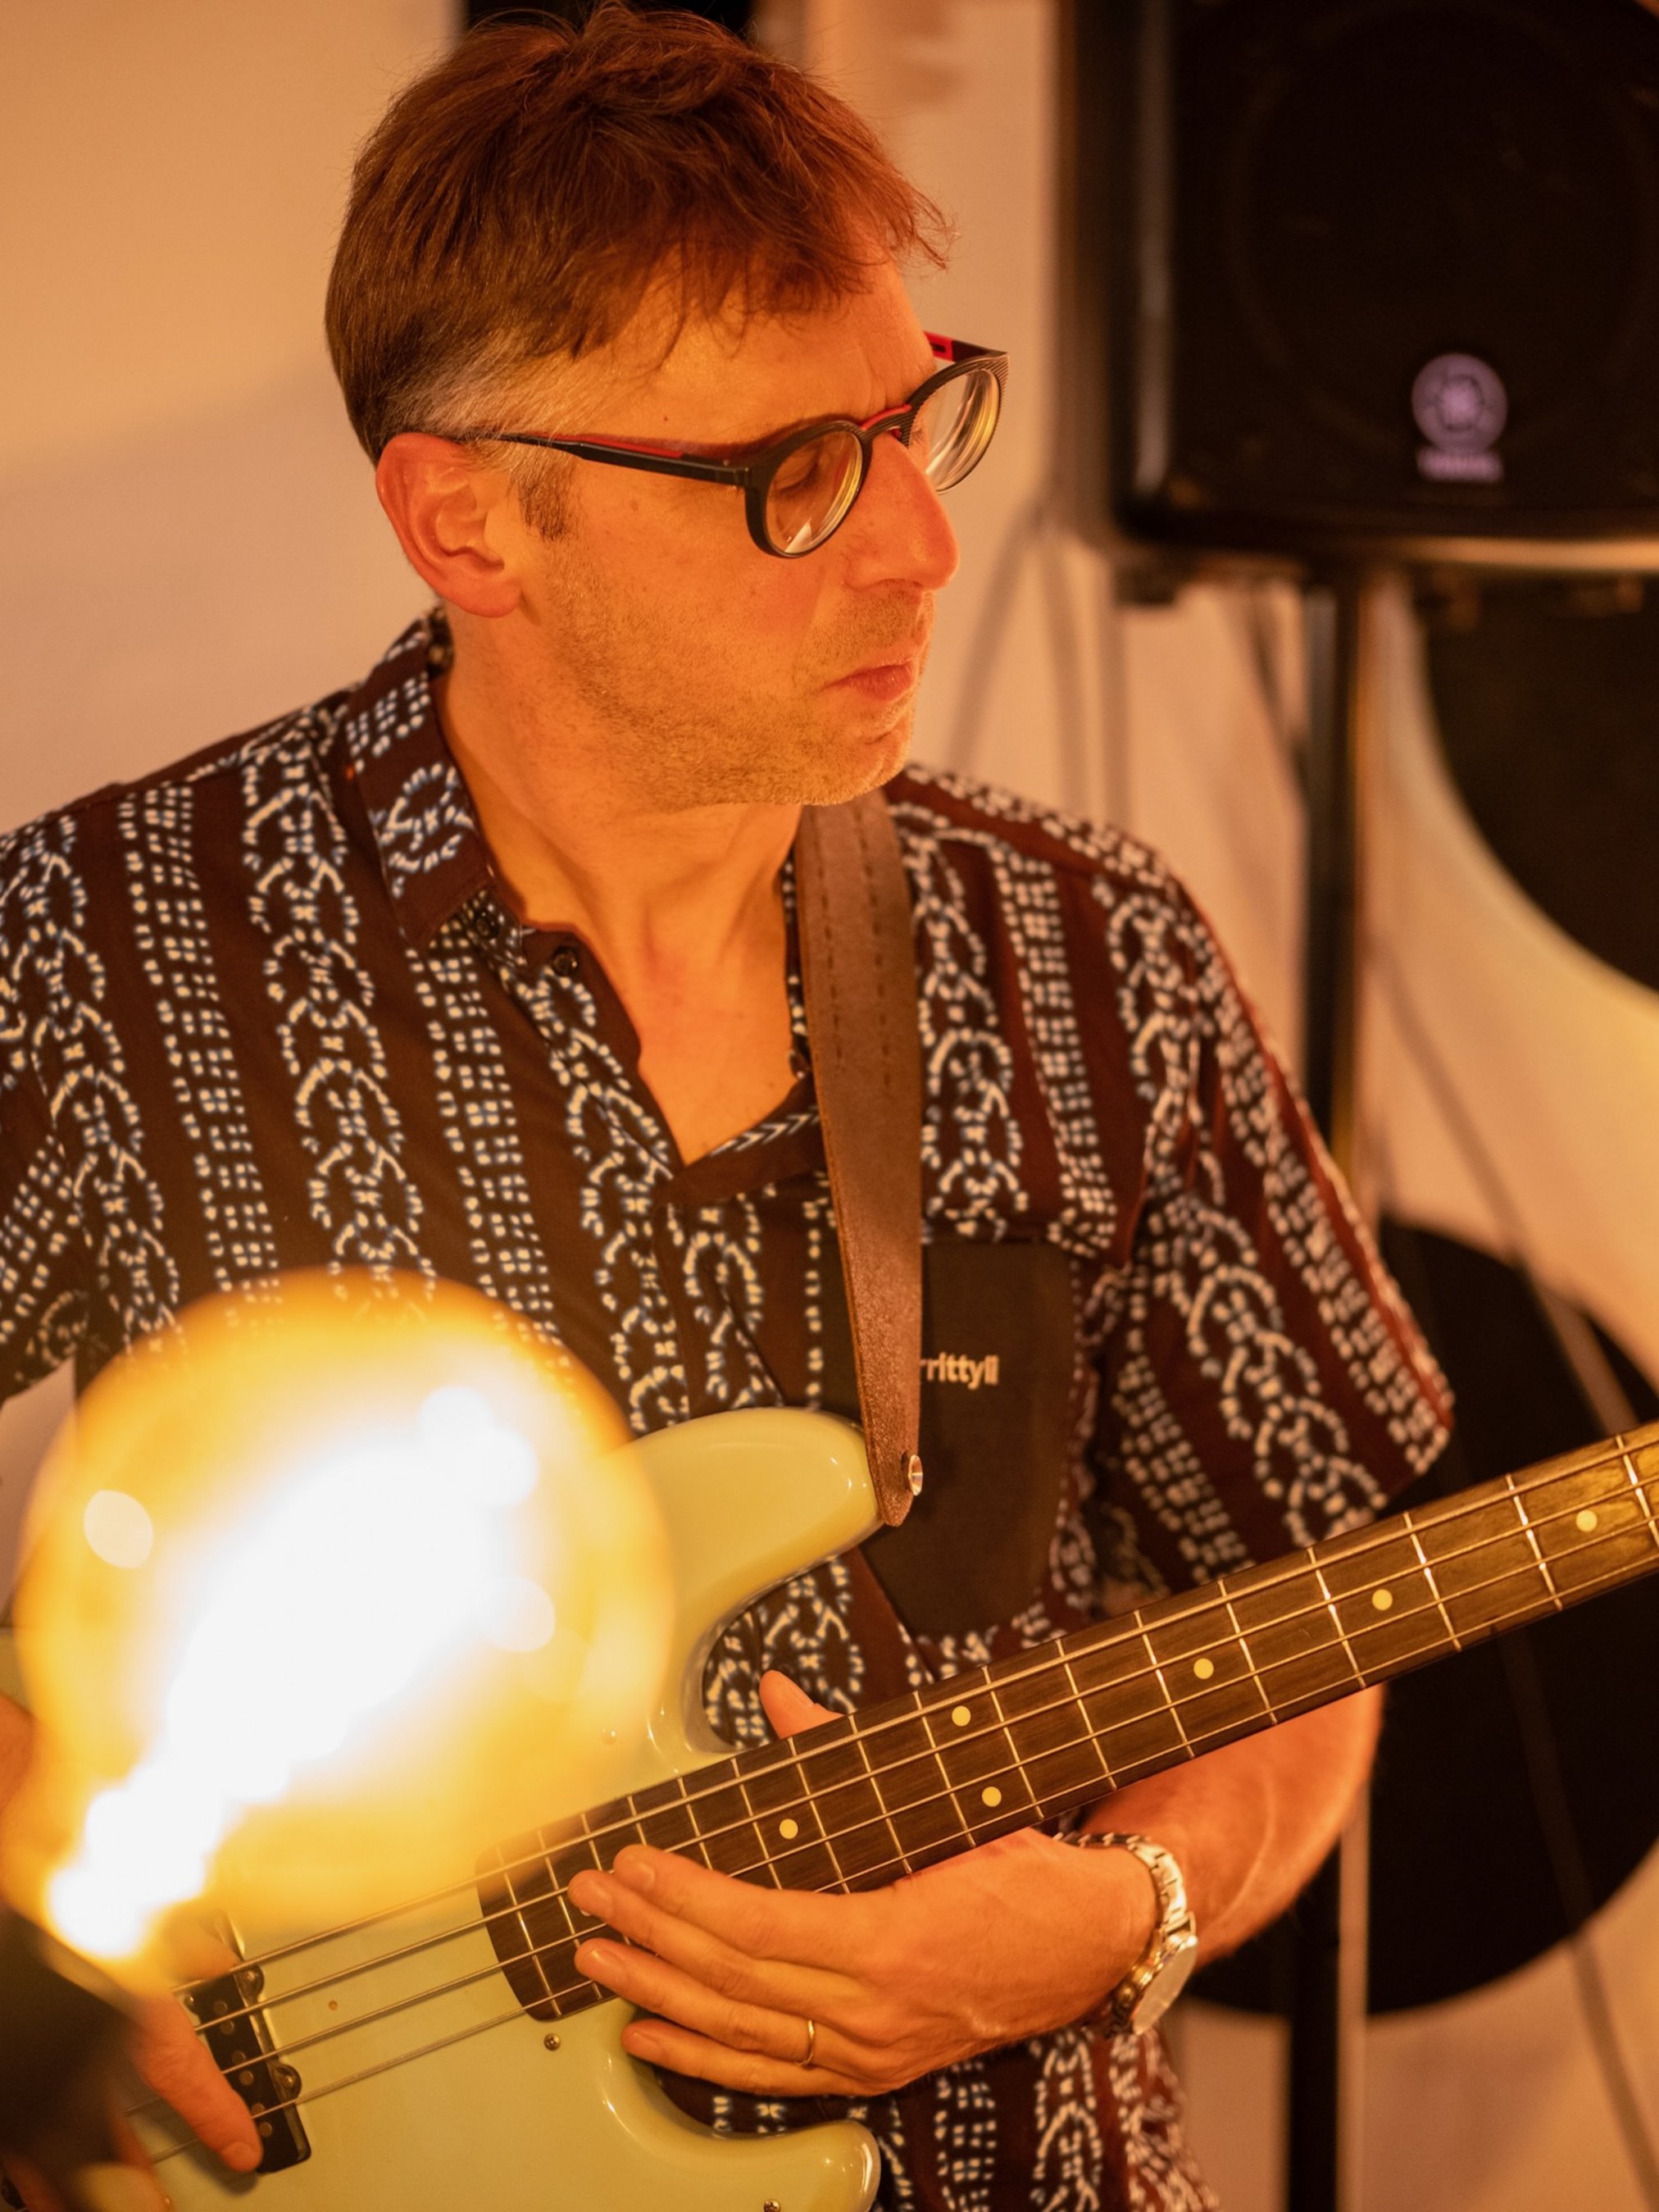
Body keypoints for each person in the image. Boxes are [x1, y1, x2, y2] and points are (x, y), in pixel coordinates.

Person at [0, 9, 1449, 2208]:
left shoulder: (1095, 953)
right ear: (469, 521)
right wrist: (44, 1947)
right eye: (794, 474)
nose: (919, 547)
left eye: (915, 421)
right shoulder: (110, 940)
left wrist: (1133, 1909)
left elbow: (1315, 1591)